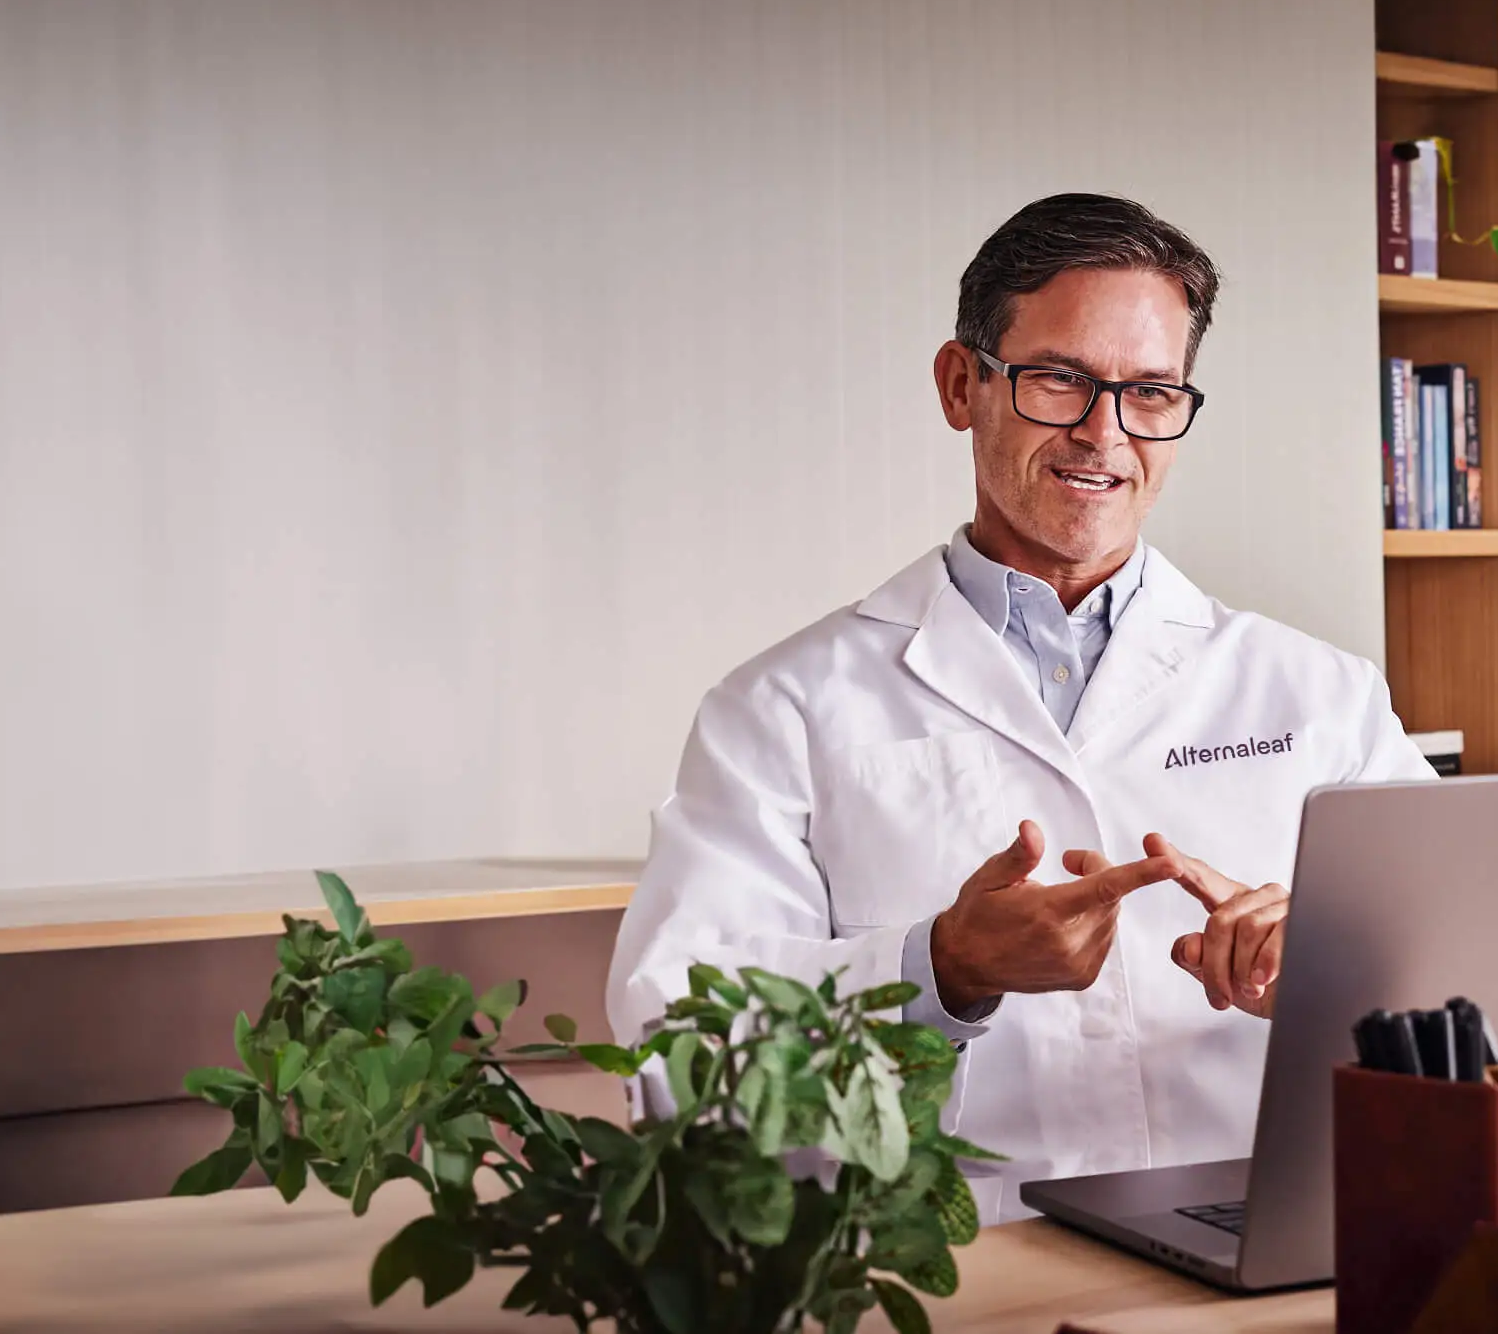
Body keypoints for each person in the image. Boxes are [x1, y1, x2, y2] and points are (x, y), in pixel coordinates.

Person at [606, 193, 1437, 1222]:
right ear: (963, 385)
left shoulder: (1323, 695)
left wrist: (1323, 967)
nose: (1105, 433)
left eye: (1149, 392)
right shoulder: (780, 709)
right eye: (1059, 381)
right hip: (960, 1275)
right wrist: (936, 971)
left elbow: (1469, 990)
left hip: (1264, 1253)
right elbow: (673, 1048)